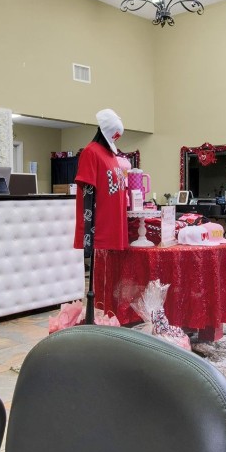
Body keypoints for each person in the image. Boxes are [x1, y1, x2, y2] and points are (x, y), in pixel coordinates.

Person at [74, 108, 129, 323]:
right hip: (100, 225)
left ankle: (104, 316)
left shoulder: (111, 155)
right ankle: (91, 317)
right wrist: (88, 233)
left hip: (114, 222)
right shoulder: (91, 152)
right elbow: (88, 193)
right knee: (97, 282)